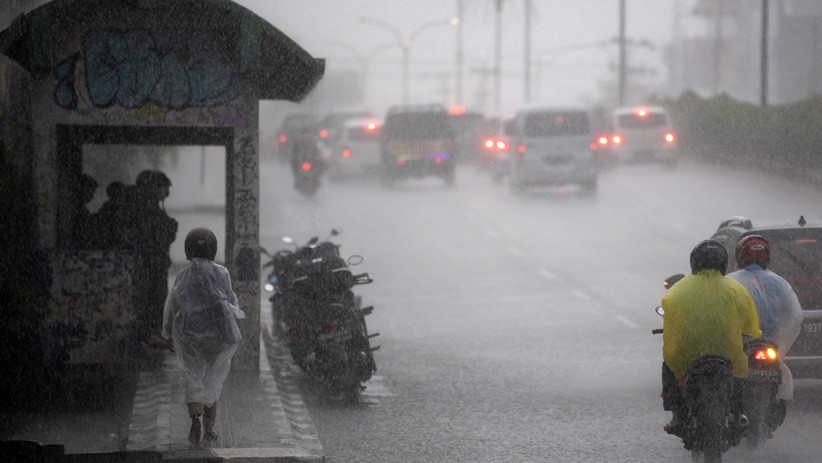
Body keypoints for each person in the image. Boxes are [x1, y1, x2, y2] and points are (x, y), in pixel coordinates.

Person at [660, 239, 761, 432]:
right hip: (727, 353)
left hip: (689, 353)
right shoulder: (736, 289)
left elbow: (670, 319)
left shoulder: (677, 290)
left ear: (695, 262)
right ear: (723, 263)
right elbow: (751, 327)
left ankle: (677, 416)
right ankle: (740, 413)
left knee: (668, 367)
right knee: (739, 377)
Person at [162, 227, 245, 444]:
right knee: (212, 381)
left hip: (190, 336)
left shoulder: (183, 275)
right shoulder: (222, 273)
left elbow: (172, 308)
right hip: (218, 337)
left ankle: (195, 420)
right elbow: (230, 301)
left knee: (192, 377)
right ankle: (209, 429)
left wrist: (169, 335)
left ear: (188, 250)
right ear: (213, 249)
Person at [727, 235, 803, 402]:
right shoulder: (780, 282)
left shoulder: (729, 281)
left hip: (740, 346)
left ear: (739, 256)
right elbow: (796, 316)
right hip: (770, 346)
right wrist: (781, 342)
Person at [130, 170, 178, 345]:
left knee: (155, 298)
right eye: (163, 188)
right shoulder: (145, 209)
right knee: (150, 299)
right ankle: (147, 335)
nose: (166, 192)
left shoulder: (151, 208)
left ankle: (150, 334)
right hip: (149, 264)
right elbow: (151, 235)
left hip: (155, 263)